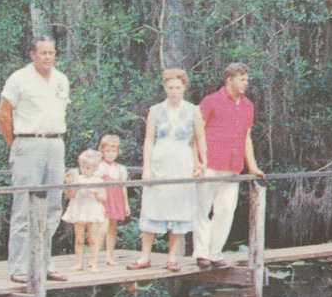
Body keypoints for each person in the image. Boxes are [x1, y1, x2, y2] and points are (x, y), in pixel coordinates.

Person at [0, 35, 70, 284]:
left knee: (52, 207)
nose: (48, 57)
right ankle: (18, 266)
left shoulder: (61, 80)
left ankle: (44, 262)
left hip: (55, 144)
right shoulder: (19, 79)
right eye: (43, 53)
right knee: (24, 208)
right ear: (32, 55)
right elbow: (3, 115)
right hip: (28, 143)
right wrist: (16, 145)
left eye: (51, 52)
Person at [128, 69, 207, 273]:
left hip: (182, 162)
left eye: (178, 88)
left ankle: (172, 257)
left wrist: (201, 163)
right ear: (164, 88)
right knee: (153, 204)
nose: (174, 91)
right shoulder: (155, 110)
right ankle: (145, 256)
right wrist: (146, 168)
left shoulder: (193, 110)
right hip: (160, 161)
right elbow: (148, 140)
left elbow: (200, 138)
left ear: (184, 88)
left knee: (179, 209)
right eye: (170, 87)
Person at [193, 62, 264, 268]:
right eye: (242, 80)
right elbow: (196, 134)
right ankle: (201, 253)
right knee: (203, 209)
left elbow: (246, 138)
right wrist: (197, 161)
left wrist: (252, 166)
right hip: (210, 163)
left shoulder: (248, 105)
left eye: (247, 80)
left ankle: (215, 253)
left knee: (225, 210)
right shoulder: (211, 101)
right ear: (229, 80)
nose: (245, 84)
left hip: (233, 166)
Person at [62, 149, 108, 273]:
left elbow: (103, 198)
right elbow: (71, 195)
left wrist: (96, 191)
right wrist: (69, 185)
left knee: (93, 239)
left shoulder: (98, 181)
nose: (85, 170)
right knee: (79, 239)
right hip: (79, 209)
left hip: (92, 210)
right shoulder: (77, 179)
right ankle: (78, 263)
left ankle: (94, 264)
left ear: (94, 168)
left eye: (88, 168)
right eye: (83, 167)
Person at [95, 134, 131, 266]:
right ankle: (95, 255)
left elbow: (123, 187)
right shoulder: (100, 167)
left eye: (113, 151)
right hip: (104, 201)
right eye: (107, 151)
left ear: (117, 152)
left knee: (112, 228)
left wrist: (126, 204)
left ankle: (109, 256)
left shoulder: (121, 169)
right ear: (102, 151)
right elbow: (97, 185)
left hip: (117, 201)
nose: (110, 154)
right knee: (102, 228)